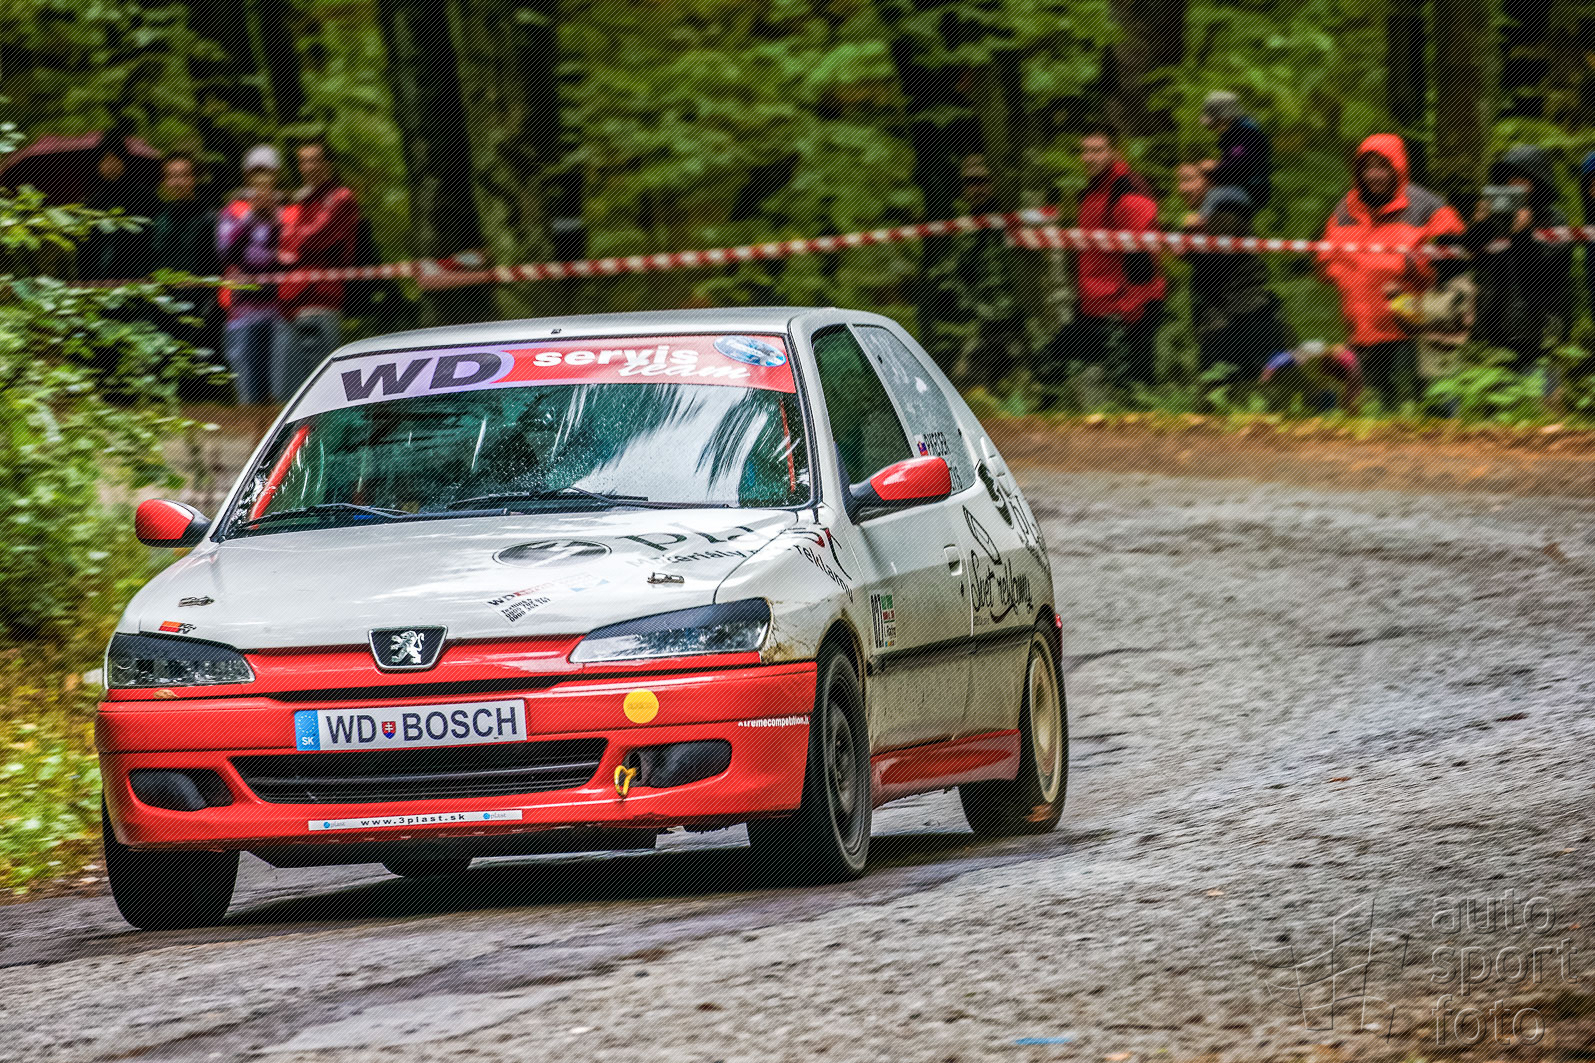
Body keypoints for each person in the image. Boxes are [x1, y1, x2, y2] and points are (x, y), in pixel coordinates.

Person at [1318, 133, 1464, 409]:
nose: (1374, 175)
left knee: (1417, 407)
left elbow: (1455, 258)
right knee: (1369, 410)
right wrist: (1349, 275)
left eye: (1382, 166)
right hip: (1361, 331)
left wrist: (1411, 266)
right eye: (1368, 167)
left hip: (1411, 328)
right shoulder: (1345, 209)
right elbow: (1325, 260)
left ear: (1398, 167)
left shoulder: (1427, 206)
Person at [1037, 128, 1166, 403]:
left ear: (1114, 152)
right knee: (1047, 366)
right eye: (1085, 151)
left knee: (1133, 393)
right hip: (1095, 307)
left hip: (1128, 310)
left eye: (1097, 150)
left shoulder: (1127, 189)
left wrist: (1132, 309)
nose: (1089, 157)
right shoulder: (1090, 193)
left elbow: (1142, 253)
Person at [1175, 161, 1292, 384]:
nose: (1183, 188)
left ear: (1210, 181)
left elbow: (1200, 253)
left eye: (1189, 179)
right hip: (1222, 315)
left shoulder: (1227, 209)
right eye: (1180, 181)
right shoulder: (1209, 214)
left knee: (1253, 384)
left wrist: (1189, 232)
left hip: (1242, 315)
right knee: (1223, 387)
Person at [1460, 145, 1572, 374]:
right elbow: (1472, 260)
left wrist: (1523, 235)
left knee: (1533, 392)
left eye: (1522, 179)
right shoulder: (1498, 219)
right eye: (1511, 178)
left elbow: (1544, 273)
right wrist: (1479, 226)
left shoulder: (1554, 220)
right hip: (1491, 327)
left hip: (1535, 332)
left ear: (1537, 183)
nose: (1514, 185)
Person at [272, 139, 360, 400]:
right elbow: (281, 242)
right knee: (288, 391)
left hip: (321, 299)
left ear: (328, 164)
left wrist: (291, 246)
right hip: (289, 302)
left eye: (315, 160)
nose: (309, 167)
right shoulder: (299, 202)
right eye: (304, 161)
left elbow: (315, 237)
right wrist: (291, 245)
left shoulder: (341, 197)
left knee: (322, 390)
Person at [935, 154, 1028, 387]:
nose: (977, 188)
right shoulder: (964, 230)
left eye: (983, 181)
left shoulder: (1015, 219)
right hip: (983, 325)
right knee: (965, 385)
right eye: (970, 182)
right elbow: (954, 282)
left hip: (1021, 324)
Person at [216, 145, 283, 405]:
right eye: (256, 172)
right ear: (247, 175)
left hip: (279, 311)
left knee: (279, 394)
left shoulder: (286, 210)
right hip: (242, 313)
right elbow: (225, 252)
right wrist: (251, 216)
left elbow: (290, 254)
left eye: (266, 172)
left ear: (276, 174)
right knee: (248, 395)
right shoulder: (233, 211)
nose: (261, 178)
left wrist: (274, 220)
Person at [1198, 90, 1272, 213]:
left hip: (1252, 190)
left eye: (1215, 123)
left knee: (1214, 196)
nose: (1214, 129)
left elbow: (1241, 166)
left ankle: (1201, 221)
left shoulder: (1245, 133)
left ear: (1225, 117)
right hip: (1243, 187)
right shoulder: (1235, 133)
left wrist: (1215, 167)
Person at [149, 154, 215, 276]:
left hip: (199, 286)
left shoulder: (210, 218)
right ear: (164, 181)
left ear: (195, 178)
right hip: (161, 286)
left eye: (184, 175)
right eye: (171, 176)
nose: (178, 182)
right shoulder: (157, 217)